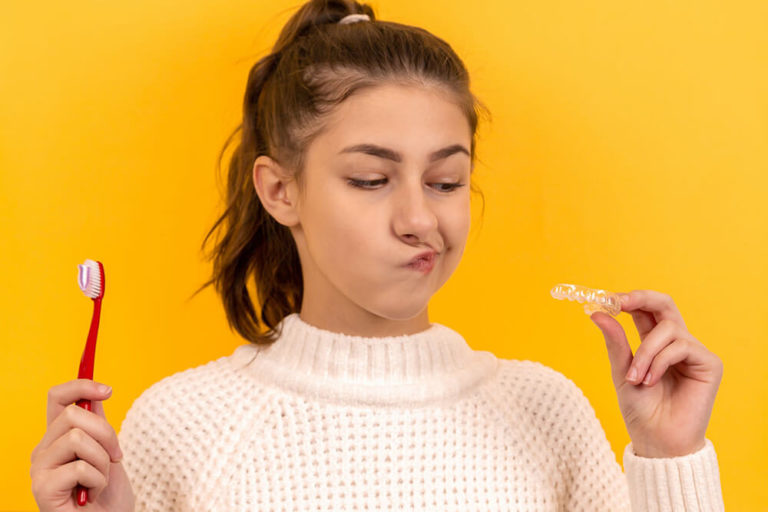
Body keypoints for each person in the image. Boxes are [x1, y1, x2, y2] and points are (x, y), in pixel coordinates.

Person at [30, 1, 725, 510]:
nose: (421, 218)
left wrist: (671, 458)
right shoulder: (181, 426)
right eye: (371, 179)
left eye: (446, 181)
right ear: (279, 191)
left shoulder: (545, 412)